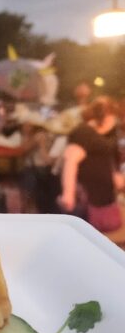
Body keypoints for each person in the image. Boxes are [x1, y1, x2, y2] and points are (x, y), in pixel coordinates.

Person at [59, 96, 123, 234]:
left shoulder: (100, 135)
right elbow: (70, 162)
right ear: (107, 115)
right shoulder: (83, 133)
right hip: (88, 202)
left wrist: (115, 176)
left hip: (103, 199)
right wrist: (68, 194)